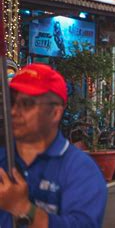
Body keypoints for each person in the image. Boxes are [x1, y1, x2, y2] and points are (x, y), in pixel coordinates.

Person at [0, 63, 107, 227]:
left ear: (55, 112)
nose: (14, 112)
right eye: (12, 102)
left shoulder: (80, 170)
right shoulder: (3, 161)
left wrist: (21, 207)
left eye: (27, 104)